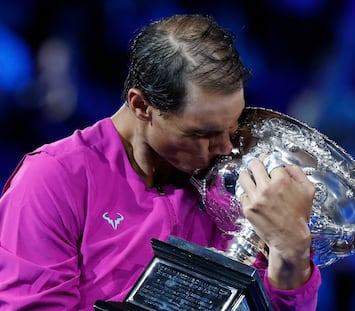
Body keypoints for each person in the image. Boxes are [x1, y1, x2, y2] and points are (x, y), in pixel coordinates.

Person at [0, 14, 321, 310]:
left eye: (232, 128)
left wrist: (291, 253)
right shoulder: (53, 179)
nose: (226, 149)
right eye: (203, 133)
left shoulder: (231, 187)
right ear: (141, 106)